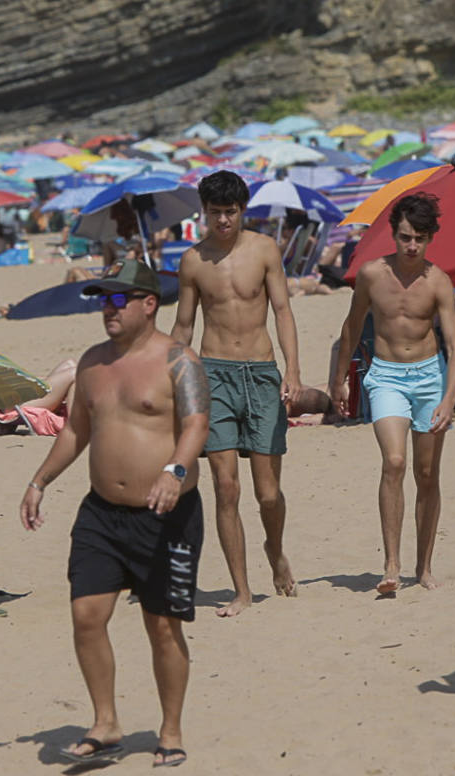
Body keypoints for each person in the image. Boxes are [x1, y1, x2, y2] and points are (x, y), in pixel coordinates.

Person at [19, 259, 209, 768]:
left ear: (149, 303)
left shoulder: (179, 361)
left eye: (118, 298)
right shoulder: (92, 363)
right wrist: (40, 481)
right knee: (86, 616)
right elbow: (75, 430)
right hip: (102, 513)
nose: (108, 308)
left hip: (166, 514)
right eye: (103, 299)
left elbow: (196, 425)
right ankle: (105, 724)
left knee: (163, 627)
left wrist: (175, 470)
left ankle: (170, 730)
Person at [171, 169, 299, 617]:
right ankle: (241, 591)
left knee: (268, 494)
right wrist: (174, 378)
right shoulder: (193, 261)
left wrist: (293, 372)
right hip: (213, 375)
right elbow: (184, 326)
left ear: (242, 210)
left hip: (262, 374)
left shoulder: (264, 249)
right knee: (226, 488)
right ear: (203, 212)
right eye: (215, 213)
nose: (223, 220)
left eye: (230, 212)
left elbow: (282, 309)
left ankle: (275, 548)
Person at [330, 194, 455, 593]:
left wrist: (448, 398)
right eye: (405, 237)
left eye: (419, 239)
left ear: (430, 239)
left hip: (429, 378)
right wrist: (338, 379)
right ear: (393, 234)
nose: (411, 246)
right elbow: (352, 326)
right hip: (386, 375)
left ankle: (423, 567)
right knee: (394, 460)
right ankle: (391, 564)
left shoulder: (439, 281)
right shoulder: (372, 274)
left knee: (427, 474)